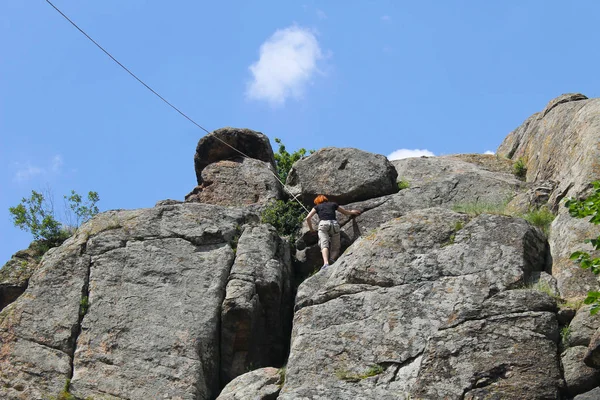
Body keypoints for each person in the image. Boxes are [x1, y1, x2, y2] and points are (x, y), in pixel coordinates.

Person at [305, 195, 361, 269]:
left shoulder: (317, 207)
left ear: (317, 202)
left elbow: (308, 217)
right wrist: (352, 212)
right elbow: (345, 212)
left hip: (323, 225)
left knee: (324, 244)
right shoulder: (333, 204)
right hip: (334, 225)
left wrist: (311, 229)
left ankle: (326, 263)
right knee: (335, 247)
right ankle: (332, 259)